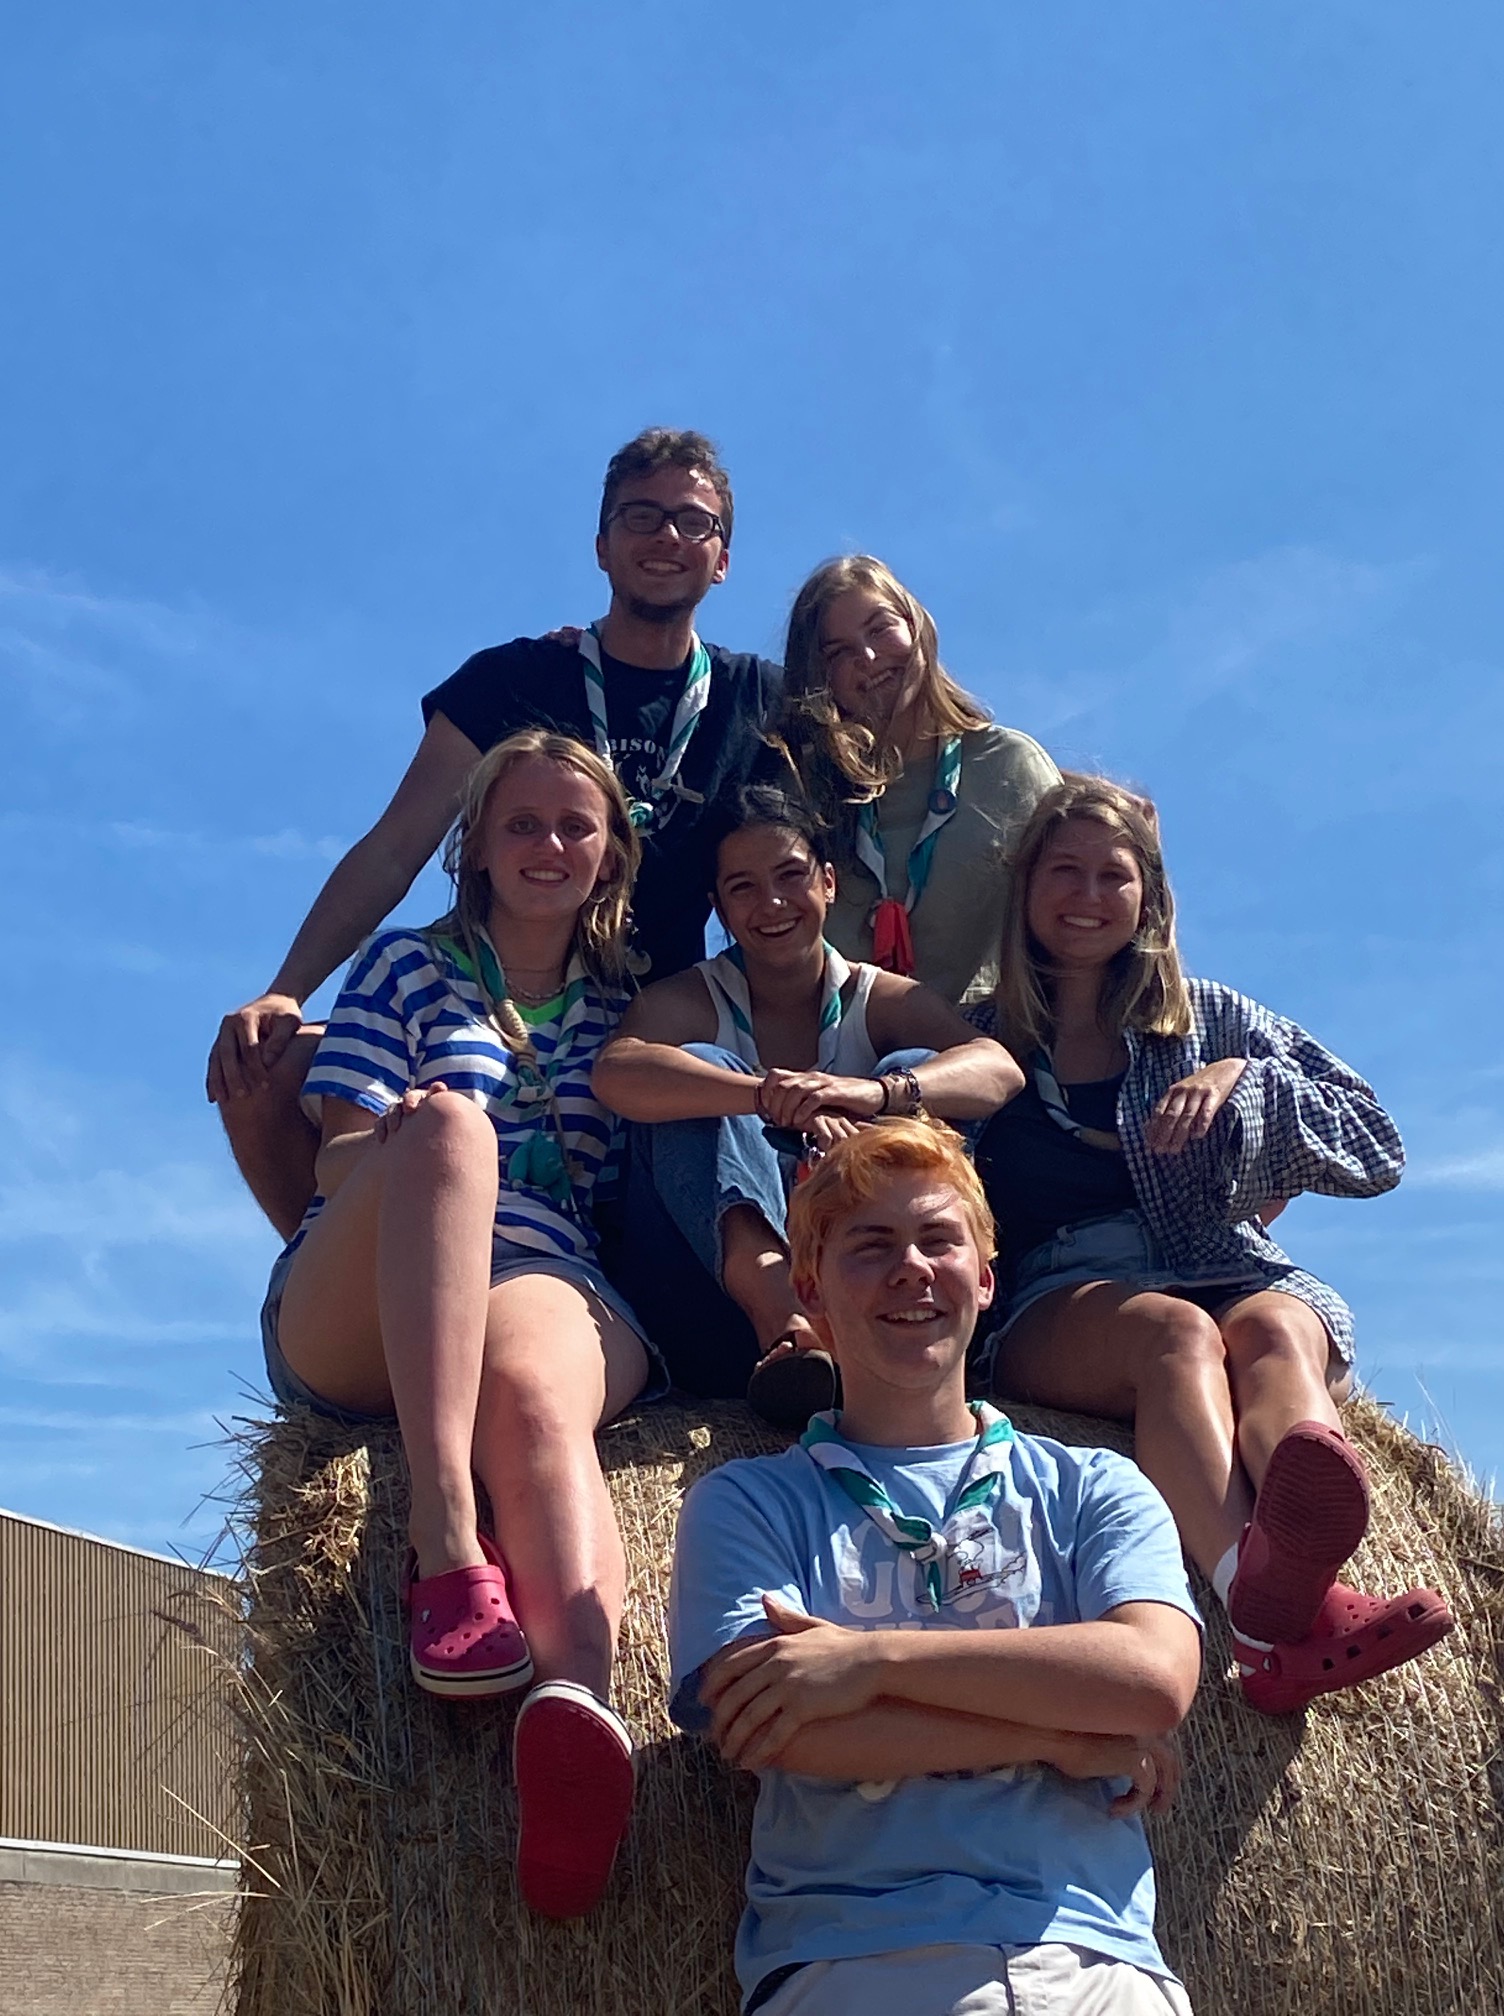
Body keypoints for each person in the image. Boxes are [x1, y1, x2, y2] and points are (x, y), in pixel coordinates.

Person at [669, 1119, 1203, 2016]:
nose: (911, 1268)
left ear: (986, 1278)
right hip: (858, 1962)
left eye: (938, 1240)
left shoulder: (1093, 1485)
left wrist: (869, 1662)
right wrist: (1060, 1737)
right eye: (871, 1245)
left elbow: (1150, 1680)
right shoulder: (747, 1504)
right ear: (811, 1288)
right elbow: (780, 1732)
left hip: (1099, 1961)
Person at [261, 728, 656, 1919]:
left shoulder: (634, 1007)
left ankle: (576, 1717)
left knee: (532, 1397)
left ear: (611, 854)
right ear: (474, 844)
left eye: (575, 826)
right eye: (522, 823)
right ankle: (445, 1541)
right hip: (368, 1285)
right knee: (450, 1129)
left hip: (545, 1273)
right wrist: (417, 1139)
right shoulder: (403, 969)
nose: (548, 845)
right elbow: (336, 1160)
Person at [208, 427, 782, 1239]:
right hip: (497, 995)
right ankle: (332, 1285)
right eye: (640, 516)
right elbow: (395, 846)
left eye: (693, 522)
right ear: (601, 545)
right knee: (263, 1066)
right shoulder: (515, 679)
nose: (665, 536)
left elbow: (847, 812)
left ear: (722, 559)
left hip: (654, 1023)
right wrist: (288, 988)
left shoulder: (759, 701)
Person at [966, 774, 1453, 1715]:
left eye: (1114, 875)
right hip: (1063, 1289)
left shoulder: (1211, 1018)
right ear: (1025, 886)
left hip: (1228, 1259)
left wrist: (1244, 1081)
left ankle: (1298, 1542)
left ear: (1149, 896)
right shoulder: (984, 1036)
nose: (1088, 895)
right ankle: (1260, 1610)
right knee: (1176, 1335)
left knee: (1279, 1326)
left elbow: (1375, 1144)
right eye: (1065, 871)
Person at [591, 784, 1023, 1424]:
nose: (771, 903)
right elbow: (617, 1072)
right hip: (716, 1313)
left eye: (790, 876)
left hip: (867, 1302)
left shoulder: (876, 997)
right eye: (742, 888)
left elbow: (999, 1069)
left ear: (828, 882)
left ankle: (867, 1328)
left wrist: (872, 1095)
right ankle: (787, 1322)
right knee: (699, 1073)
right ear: (718, 908)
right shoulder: (691, 998)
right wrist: (770, 1095)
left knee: (914, 1072)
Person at [775, 554, 1059, 1005]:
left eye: (880, 629)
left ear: (916, 625)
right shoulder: (803, 797)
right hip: (842, 1047)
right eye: (839, 652)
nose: (868, 657)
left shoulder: (1010, 767)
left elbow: (1082, 914)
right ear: (819, 678)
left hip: (995, 1043)